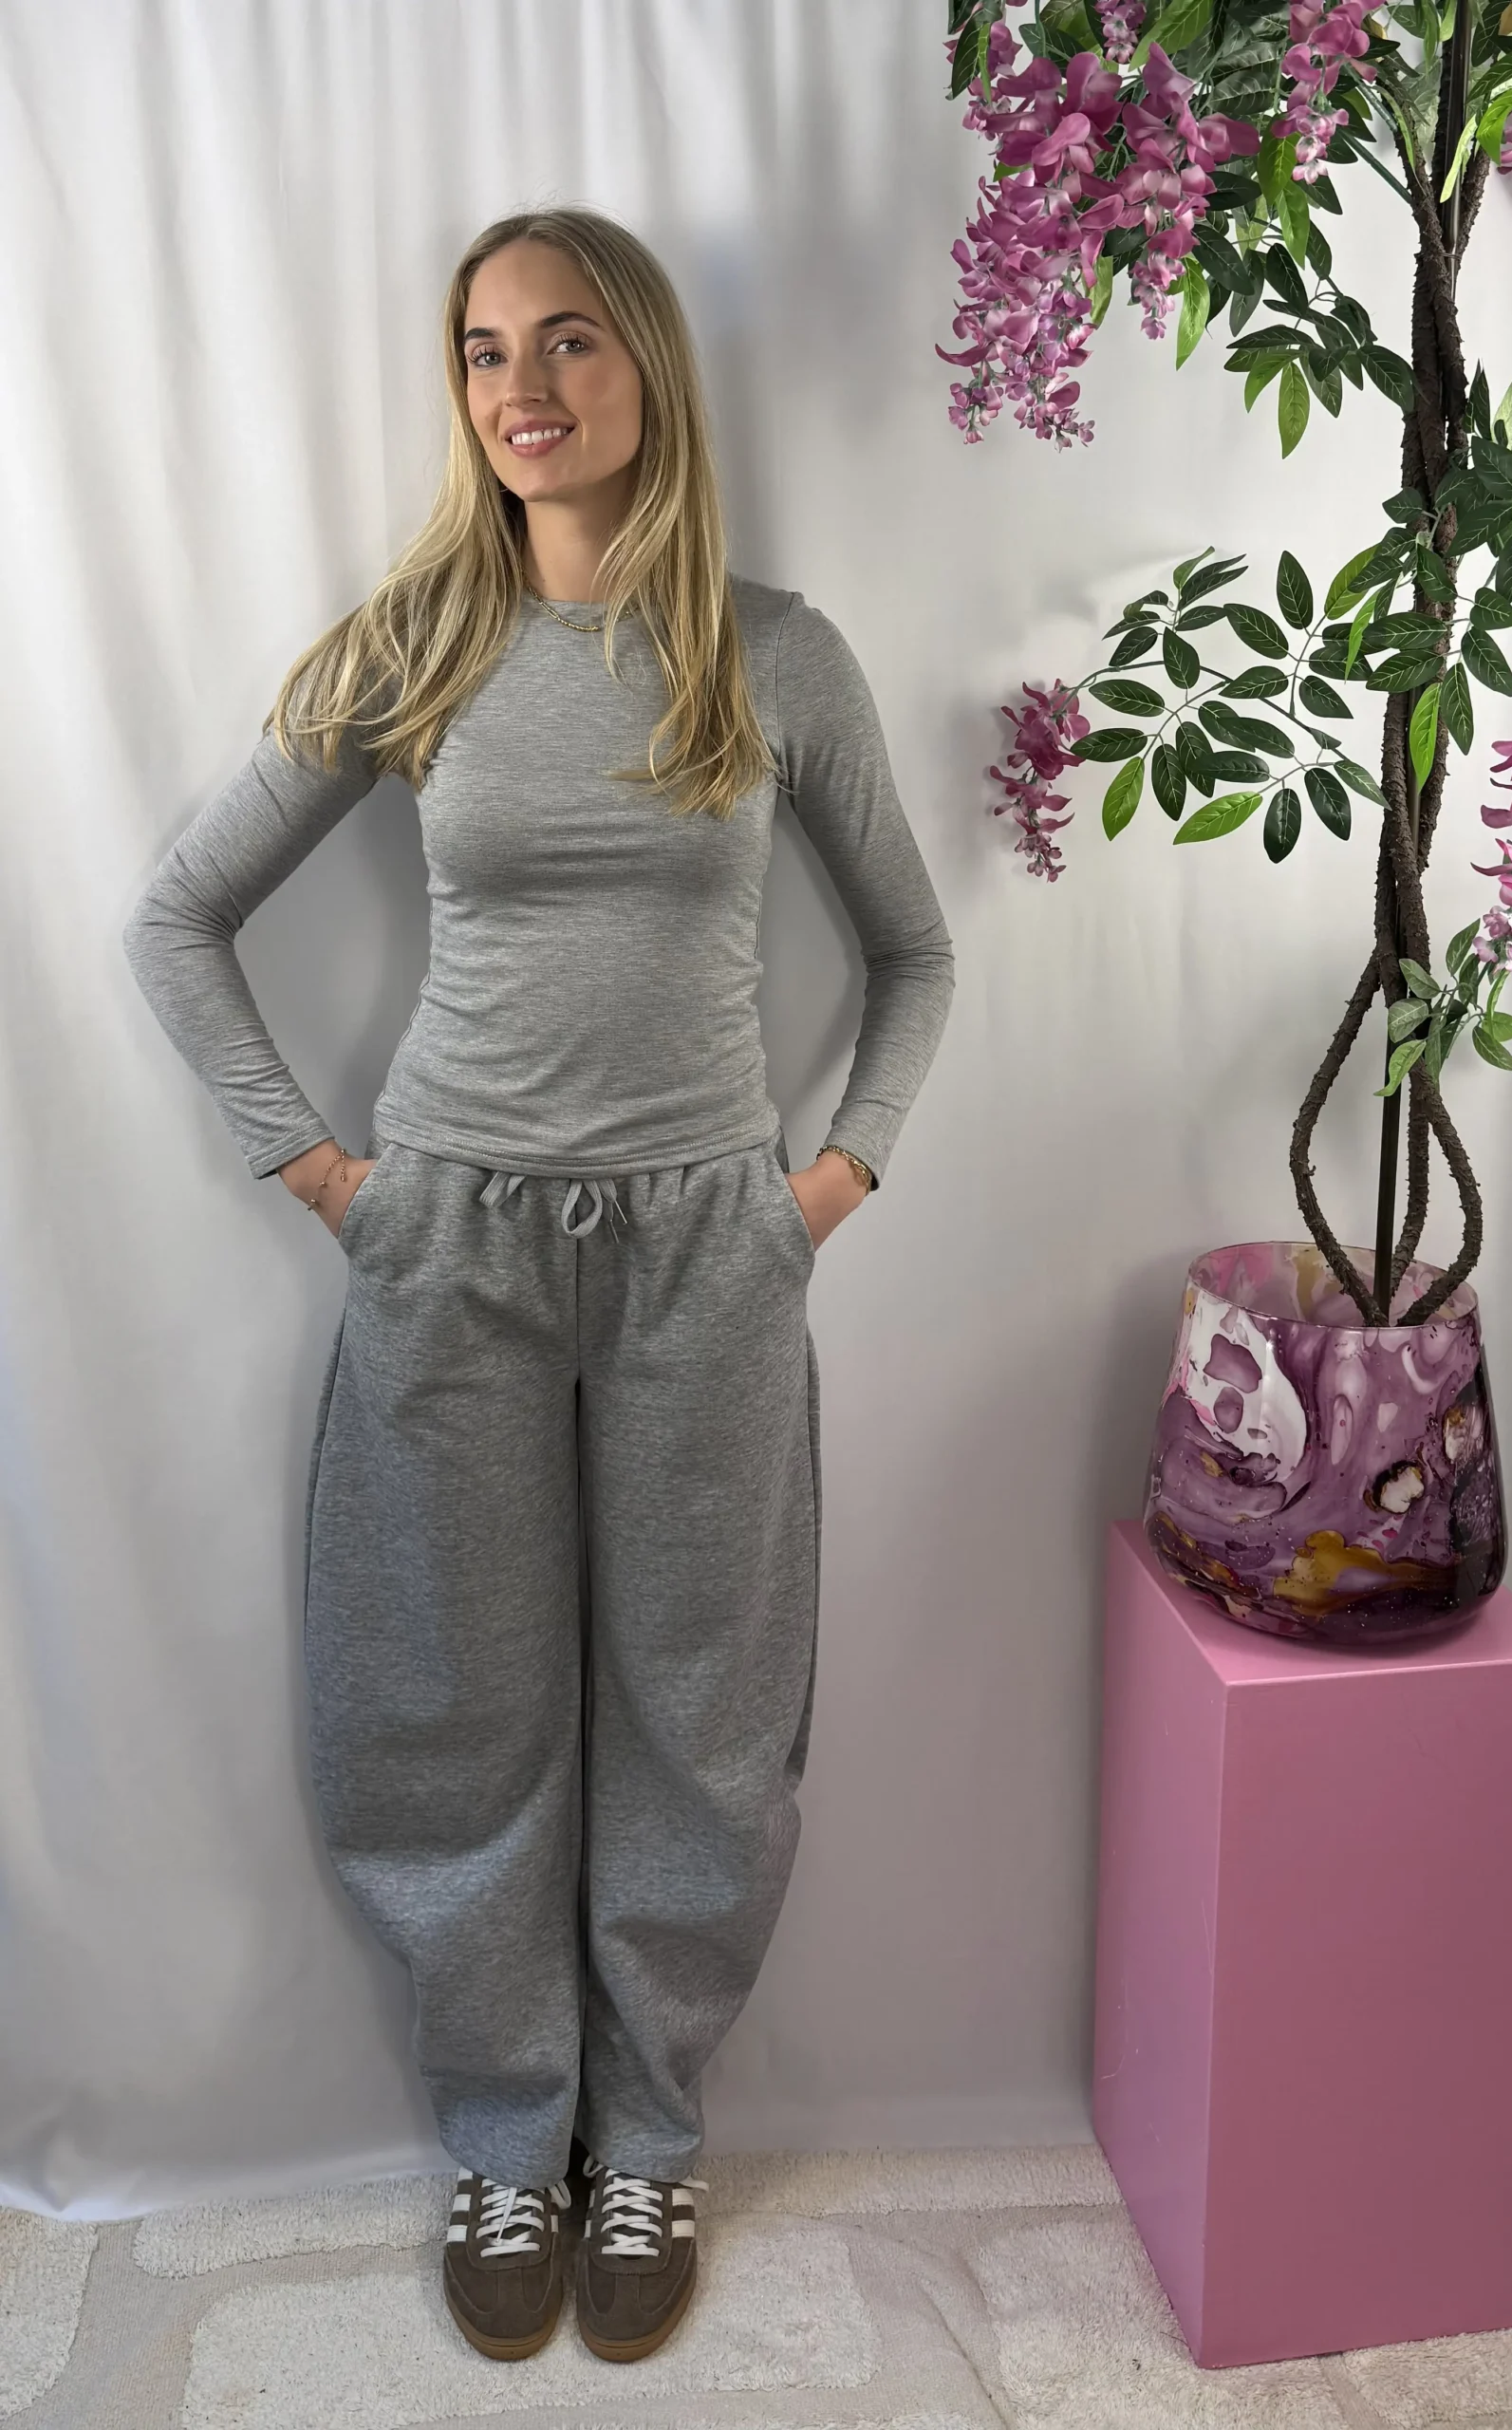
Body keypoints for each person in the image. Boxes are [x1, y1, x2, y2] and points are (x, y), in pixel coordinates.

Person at [121, 204, 954, 2367]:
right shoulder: (415, 643)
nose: (524, 387)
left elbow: (916, 951)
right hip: (450, 1249)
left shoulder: (774, 654)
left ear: (646, 364)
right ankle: (512, 2133)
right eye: (486, 350)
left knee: (704, 1709)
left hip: (708, 1255)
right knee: (446, 1703)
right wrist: (328, 1175)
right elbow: (180, 918)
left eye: (569, 339)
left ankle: (648, 2129)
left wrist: (828, 1181)